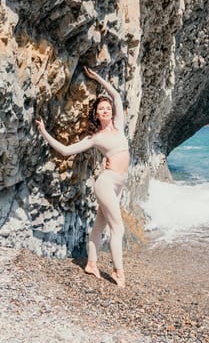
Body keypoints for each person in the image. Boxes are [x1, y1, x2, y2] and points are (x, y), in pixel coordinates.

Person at [35, 67, 130, 288]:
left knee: (99, 225)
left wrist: (97, 78)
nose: (106, 110)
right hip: (106, 183)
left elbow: (116, 96)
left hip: (119, 184)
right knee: (119, 229)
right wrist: (44, 132)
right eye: (101, 109)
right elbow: (66, 150)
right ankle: (118, 272)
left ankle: (91, 263)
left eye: (107, 108)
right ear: (96, 114)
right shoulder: (95, 138)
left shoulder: (119, 126)